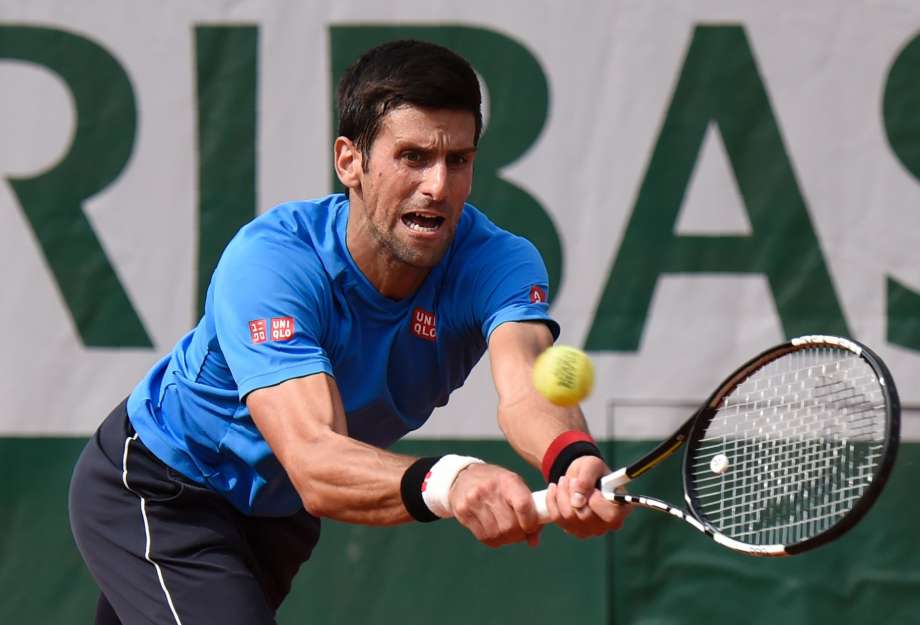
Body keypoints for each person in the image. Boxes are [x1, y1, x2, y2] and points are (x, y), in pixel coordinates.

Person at [68, 39, 629, 625]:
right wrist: (453, 479)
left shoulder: (499, 262)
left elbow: (527, 383)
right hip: (165, 486)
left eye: (457, 160)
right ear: (350, 162)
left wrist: (570, 459)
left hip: (276, 518)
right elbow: (314, 456)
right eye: (413, 157)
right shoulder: (274, 263)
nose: (438, 186)